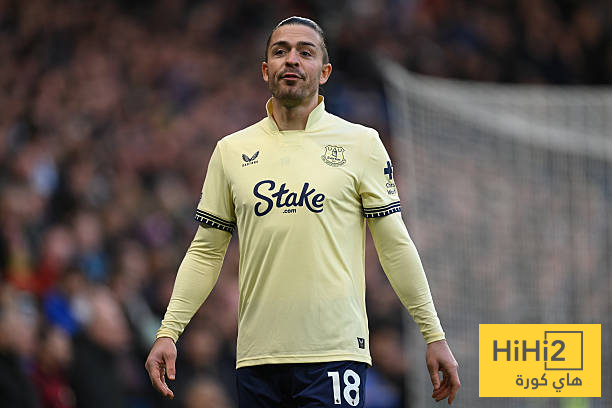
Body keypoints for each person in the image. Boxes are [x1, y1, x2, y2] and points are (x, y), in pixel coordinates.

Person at [145, 16, 460, 407]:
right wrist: (169, 331)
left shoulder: (361, 144)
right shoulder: (231, 151)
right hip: (257, 358)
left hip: (334, 353)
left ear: (324, 72)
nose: (292, 59)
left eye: (305, 52)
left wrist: (433, 334)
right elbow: (206, 252)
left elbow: (394, 246)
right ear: (266, 70)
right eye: (281, 51)